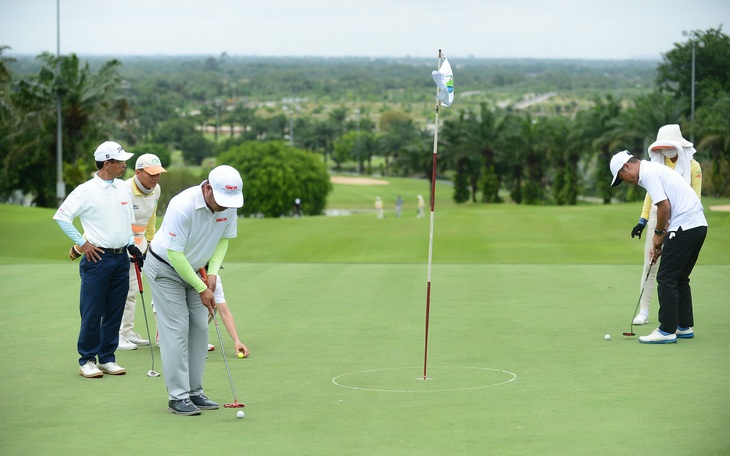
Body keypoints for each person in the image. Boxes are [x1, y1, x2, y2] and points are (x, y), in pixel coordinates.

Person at [144, 165, 244, 415]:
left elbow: (223, 239)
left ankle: (194, 391)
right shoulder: (183, 205)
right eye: (221, 200)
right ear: (208, 188)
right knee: (177, 328)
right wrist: (201, 286)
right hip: (165, 269)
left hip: (196, 269)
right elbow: (175, 254)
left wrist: (212, 273)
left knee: (200, 328)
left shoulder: (227, 206)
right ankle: (177, 397)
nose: (224, 207)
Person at [54, 141, 143, 378]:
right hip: (98, 258)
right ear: (107, 163)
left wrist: (132, 245)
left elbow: (126, 220)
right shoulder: (85, 191)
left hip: (120, 257)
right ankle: (87, 359)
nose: (125, 164)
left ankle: (107, 358)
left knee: (115, 311)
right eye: (120, 161)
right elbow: (62, 217)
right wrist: (82, 244)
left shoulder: (123, 188)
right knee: (93, 312)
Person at [610, 150, 708, 344]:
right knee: (680, 277)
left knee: (666, 277)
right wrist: (663, 240)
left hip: (685, 226)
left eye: (623, 177)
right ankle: (683, 326)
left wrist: (658, 235)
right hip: (698, 226)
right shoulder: (655, 169)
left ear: (627, 166)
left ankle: (666, 330)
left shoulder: (647, 173)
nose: (627, 182)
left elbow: (663, 207)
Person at [629, 124, 702, 325]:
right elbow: (651, 195)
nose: (663, 151)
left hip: (681, 220)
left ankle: (674, 321)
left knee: (672, 272)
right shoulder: (658, 163)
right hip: (658, 216)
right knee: (650, 263)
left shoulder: (693, 166)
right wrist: (642, 221)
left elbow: (695, 197)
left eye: (667, 146)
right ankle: (644, 310)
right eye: (660, 147)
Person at [117, 154, 167, 350]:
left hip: (142, 244)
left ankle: (127, 331)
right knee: (125, 290)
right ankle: (118, 334)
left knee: (135, 289)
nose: (155, 178)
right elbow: (118, 220)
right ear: (138, 172)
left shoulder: (156, 190)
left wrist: (151, 242)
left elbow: (151, 219)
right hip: (122, 244)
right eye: (151, 174)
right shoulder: (125, 190)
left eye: (158, 174)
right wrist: (129, 245)